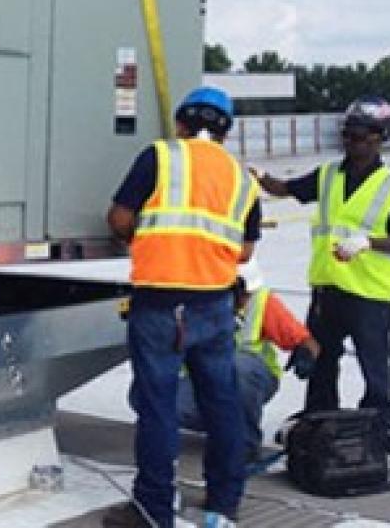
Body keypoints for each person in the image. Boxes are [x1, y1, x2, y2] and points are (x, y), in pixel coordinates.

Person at [103, 86, 261, 528]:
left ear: (181, 122)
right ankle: (224, 501)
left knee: (158, 407)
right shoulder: (241, 177)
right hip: (214, 304)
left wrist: (153, 241)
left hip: (160, 303)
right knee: (222, 404)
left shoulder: (160, 156)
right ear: (226, 130)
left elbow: (118, 219)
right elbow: (245, 251)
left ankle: (153, 510)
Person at [254, 95, 390, 445]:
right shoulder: (328, 175)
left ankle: (378, 426)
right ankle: (319, 418)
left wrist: (369, 243)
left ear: (381, 136)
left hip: (369, 293)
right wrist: (259, 177)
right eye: (351, 134)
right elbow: (288, 189)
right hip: (327, 289)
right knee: (321, 360)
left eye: (365, 134)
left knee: (373, 365)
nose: (356, 141)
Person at [177, 260, 320, 465]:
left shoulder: (260, 302)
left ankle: (244, 444)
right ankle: (222, 427)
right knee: (145, 395)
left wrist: (305, 353)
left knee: (237, 367)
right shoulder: (194, 304)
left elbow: (306, 341)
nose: (245, 300)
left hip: (249, 378)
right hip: (205, 381)